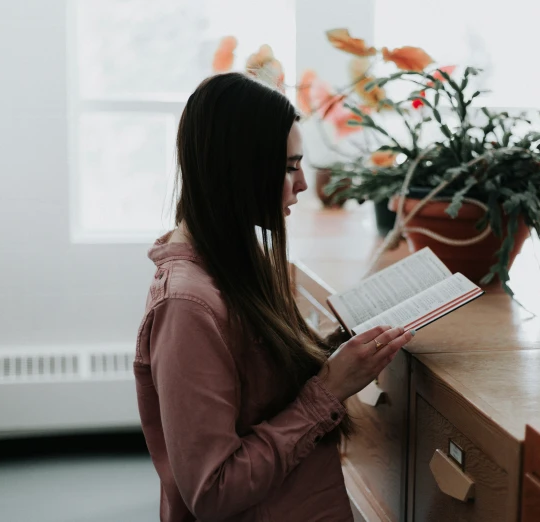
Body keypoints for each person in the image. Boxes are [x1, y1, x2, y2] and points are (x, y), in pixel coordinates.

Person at [133, 72, 415, 522]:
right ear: (236, 169)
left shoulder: (234, 264)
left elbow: (258, 391)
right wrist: (329, 390)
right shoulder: (187, 307)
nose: (302, 183)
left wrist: (329, 349)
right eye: (288, 167)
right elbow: (214, 490)